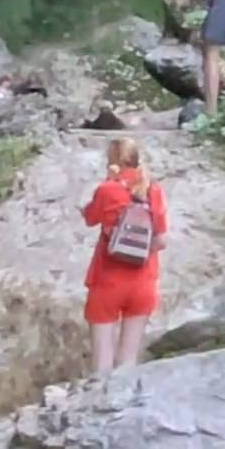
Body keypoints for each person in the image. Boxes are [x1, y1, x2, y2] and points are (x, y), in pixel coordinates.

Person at [81, 136, 168, 376]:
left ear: (112, 162)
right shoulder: (154, 190)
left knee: (102, 367)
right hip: (143, 282)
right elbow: (161, 241)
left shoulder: (107, 190)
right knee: (127, 365)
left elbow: (90, 218)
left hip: (107, 282)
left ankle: (100, 409)